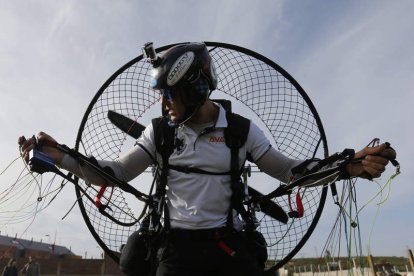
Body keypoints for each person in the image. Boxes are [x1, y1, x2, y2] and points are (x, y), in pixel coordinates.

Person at [18, 42, 396, 276]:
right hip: (175, 250)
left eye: (170, 95)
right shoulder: (160, 133)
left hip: (228, 246)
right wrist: (60, 155)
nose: (164, 104)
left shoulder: (241, 131)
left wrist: (349, 166)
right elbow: (114, 175)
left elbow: (291, 172)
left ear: (195, 88)